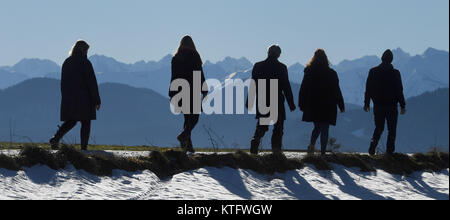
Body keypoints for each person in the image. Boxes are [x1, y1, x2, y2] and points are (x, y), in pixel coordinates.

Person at [49, 40, 101, 150]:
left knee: (71, 120)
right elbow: (91, 82)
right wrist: (96, 100)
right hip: (85, 99)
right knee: (86, 122)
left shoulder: (67, 62)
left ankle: (56, 138)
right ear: (83, 50)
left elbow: (63, 83)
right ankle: (83, 148)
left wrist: (66, 97)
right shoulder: (85, 63)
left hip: (70, 98)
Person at [246, 45, 296, 155]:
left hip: (263, 98)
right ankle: (276, 152)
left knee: (262, 125)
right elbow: (286, 86)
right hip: (277, 99)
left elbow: (253, 84)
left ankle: (254, 145)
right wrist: (291, 103)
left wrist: (249, 100)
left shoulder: (258, 66)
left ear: (268, 52)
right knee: (278, 127)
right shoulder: (282, 67)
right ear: (279, 54)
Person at [299, 49, 345, 156]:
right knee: (325, 128)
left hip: (313, 104)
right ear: (326, 59)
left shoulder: (309, 71)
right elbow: (336, 90)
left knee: (317, 127)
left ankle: (311, 146)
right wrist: (341, 105)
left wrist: (301, 103)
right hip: (328, 105)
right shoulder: (332, 73)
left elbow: (303, 88)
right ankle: (323, 152)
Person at [169, 35, 208, 154]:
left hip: (179, 89)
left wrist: (172, 92)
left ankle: (187, 146)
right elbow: (199, 74)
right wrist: (204, 89)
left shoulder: (176, 57)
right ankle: (184, 135)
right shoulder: (194, 56)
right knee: (194, 117)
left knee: (187, 117)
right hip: (193, 89)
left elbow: (173, 76)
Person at [364, 49, 406, 155]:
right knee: (392, 130)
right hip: (392, 106)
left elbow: (368, 88)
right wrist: (402, 105)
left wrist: (367, 103)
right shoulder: (396, 73)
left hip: (378, 106)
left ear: (382, 58)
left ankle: (372, 148)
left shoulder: (373, 71)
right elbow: (399, 90)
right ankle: (389, 152)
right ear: (391, 60)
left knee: (379, 128)